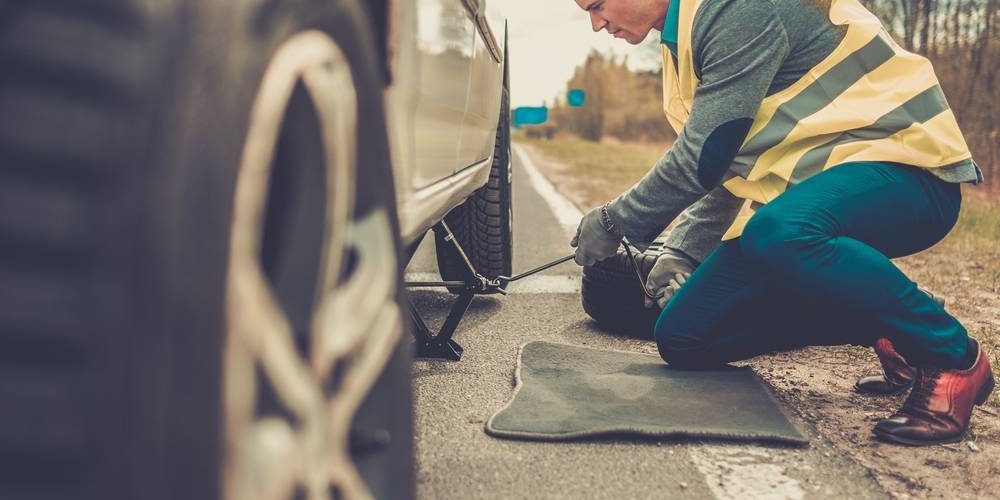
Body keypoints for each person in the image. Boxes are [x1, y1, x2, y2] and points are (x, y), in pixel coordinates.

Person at [569, 0, 993, 446]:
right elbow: (730, 161)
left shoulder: (734, 8)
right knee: (683, 337)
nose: (597, 24)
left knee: (777, 233)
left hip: (906, 171)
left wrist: (616, 221)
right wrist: (684, 250)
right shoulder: (682, 40)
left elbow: (703, 155)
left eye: (597, 5)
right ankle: (886, 319)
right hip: (807, 203)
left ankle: (953, 357)